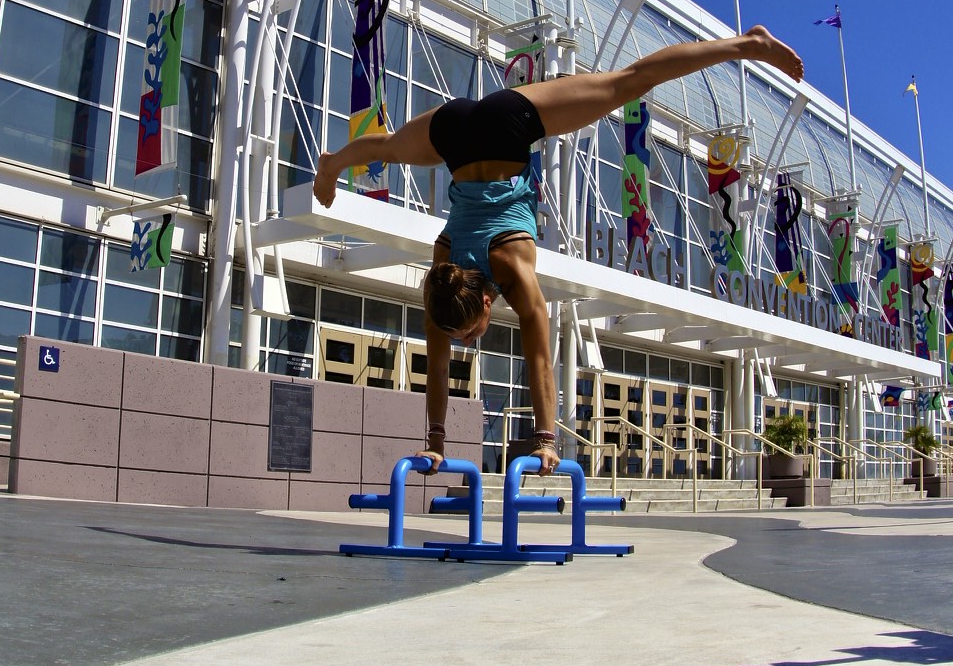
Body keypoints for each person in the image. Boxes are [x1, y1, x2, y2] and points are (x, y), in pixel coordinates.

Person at [313, 24, 803, 474]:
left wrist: (545, 440)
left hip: (507, 130)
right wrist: (434, 442)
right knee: (390, 146)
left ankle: (748, 45)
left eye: (470, 331)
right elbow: (439, 366)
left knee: (628, 83)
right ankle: (333, 162)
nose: (466, 340)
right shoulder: (442, 282)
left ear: (487, 301)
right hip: (455, 131)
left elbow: (540, 360)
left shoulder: (509, 267)